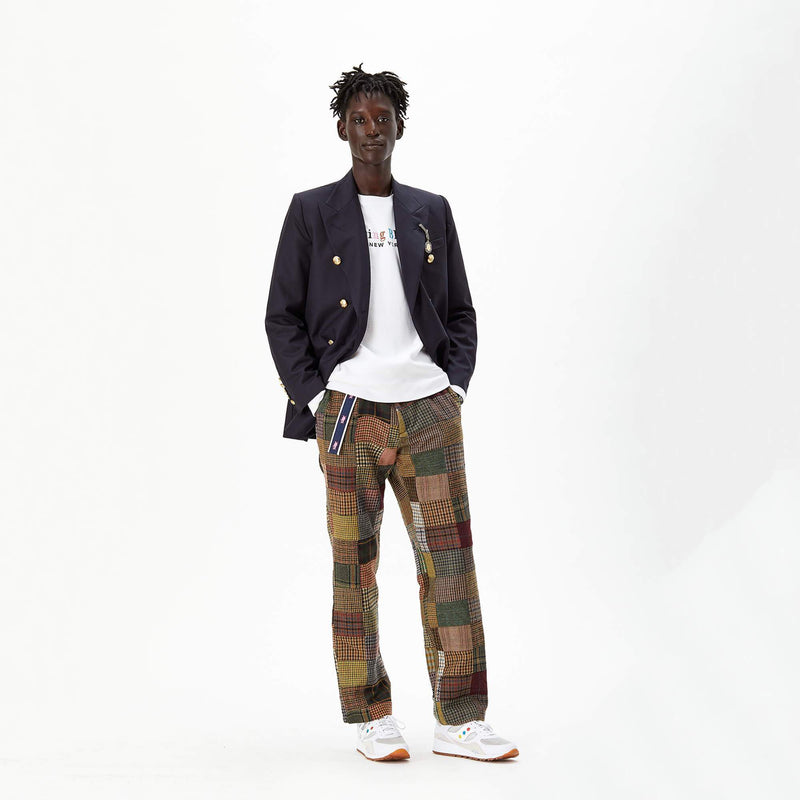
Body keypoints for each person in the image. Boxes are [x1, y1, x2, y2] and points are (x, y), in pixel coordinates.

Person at [265, 64, 519, 762]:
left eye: (383, 118)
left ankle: (461, 720)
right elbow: (281, 315)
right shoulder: (311, 211)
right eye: (359, 119)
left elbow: (461, 310)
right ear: (341, 129)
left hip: (429, 408)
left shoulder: (430, 210)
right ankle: (370, 717)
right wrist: (318, 398)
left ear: (400, 127)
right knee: (356, 566)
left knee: (450, 562)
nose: (371, 130)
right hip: (350, 410)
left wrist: (453, 386)